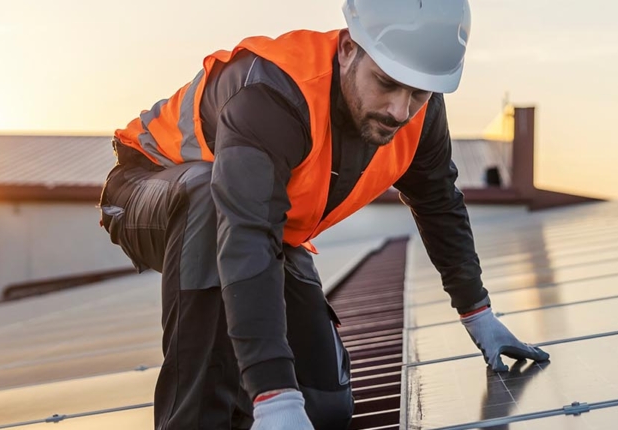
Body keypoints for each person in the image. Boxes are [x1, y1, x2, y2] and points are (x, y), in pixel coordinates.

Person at [96, 1, 548, 428]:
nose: (399, 109)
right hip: (150, 190)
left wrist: (478, 314)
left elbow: (439, 203)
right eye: (387, 82)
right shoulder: (274, 93)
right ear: (349, 48)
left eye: (418, 92)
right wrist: (273, 395)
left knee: (324, 409)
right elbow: (246, 236)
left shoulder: (419, 113)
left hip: (261, 223)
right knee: (211, 207)